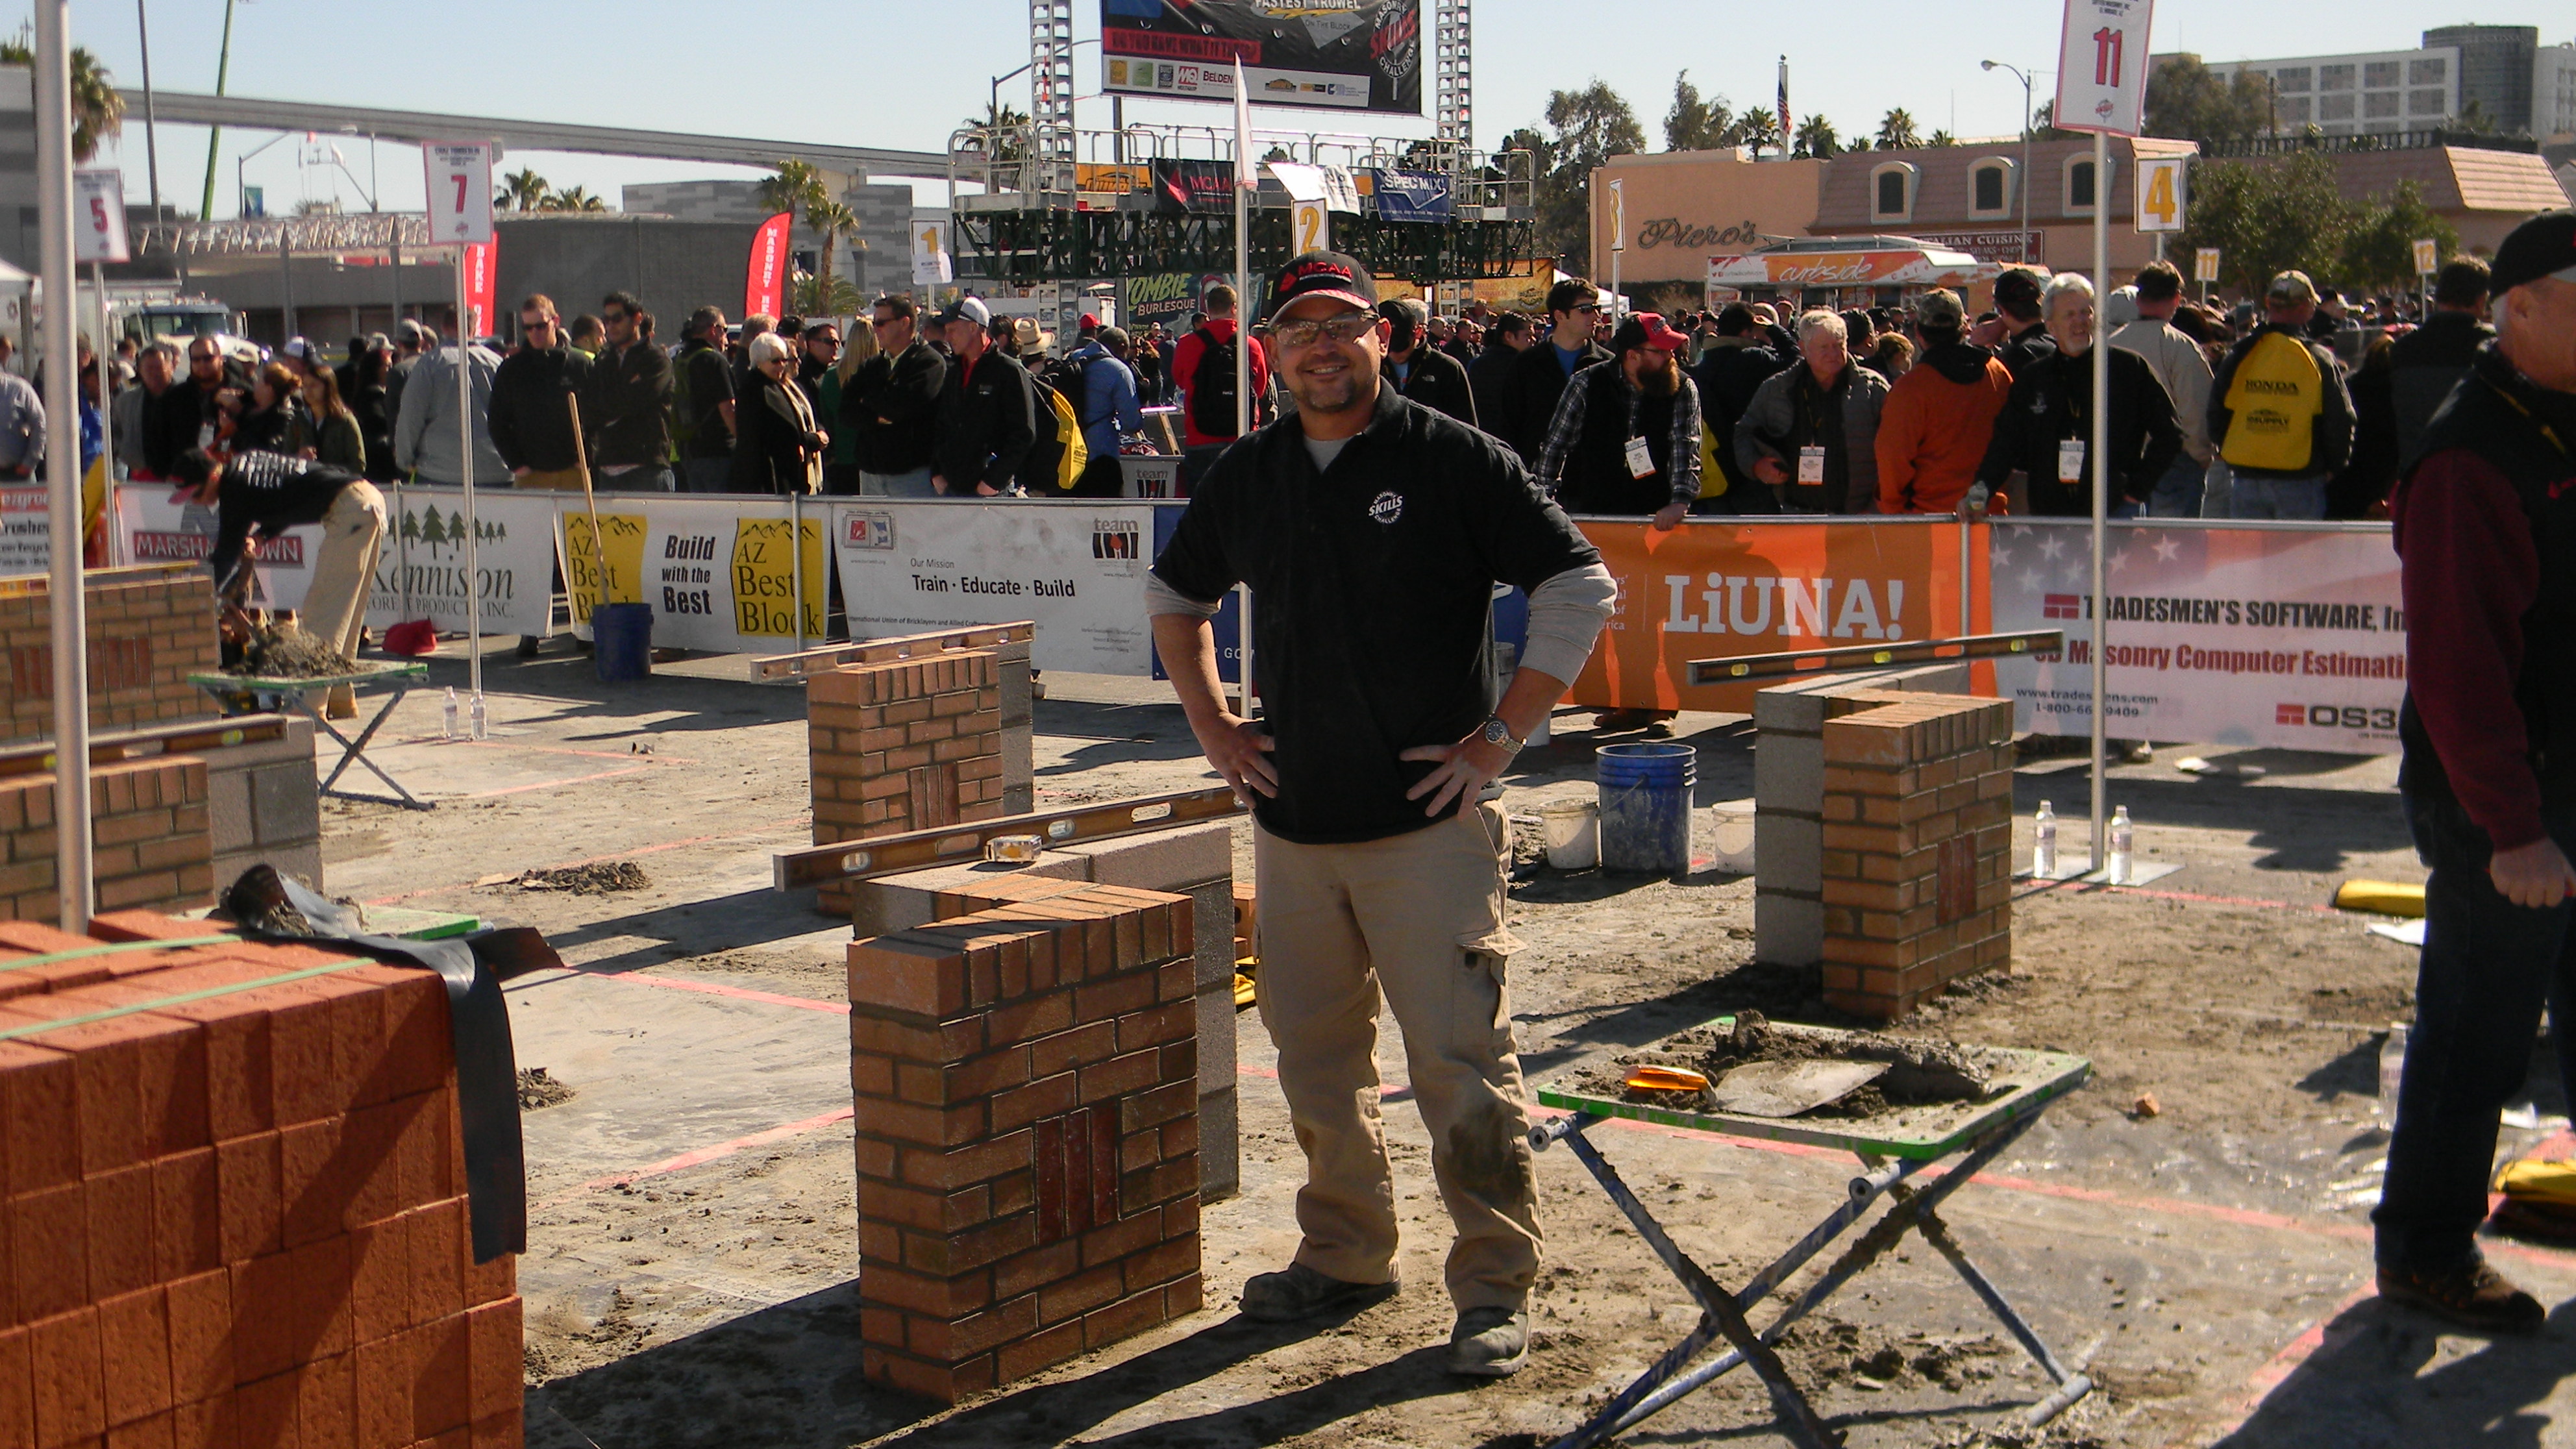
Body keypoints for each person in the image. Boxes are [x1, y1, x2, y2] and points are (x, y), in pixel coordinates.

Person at [1146, 249, 1616, 1378]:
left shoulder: (1452, 459)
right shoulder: (1249, 472)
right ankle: (1347, 1254)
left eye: (1340, 326)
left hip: (1425, 837)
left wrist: (1500, 738)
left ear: (1381, 338)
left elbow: (1577, 586)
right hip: (1295, 831)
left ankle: (1495, 1284)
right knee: (1315, 1063)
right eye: (1297, 328)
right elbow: (1175, 598)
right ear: (1270, 351)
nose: (1319, 347)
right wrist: (1214, 729)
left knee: (1460, 1063)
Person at [2373, 210, 2576, 1335]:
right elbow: (2456, 669)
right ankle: (2424, 1249)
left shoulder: (2559, 417)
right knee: (2474, 1032)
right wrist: (2511, 827)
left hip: (2564, 781)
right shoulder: (2469, 454)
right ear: (2519, 310)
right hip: (2504, 802)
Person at [168, 445, 385, 719]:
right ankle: (341, 700)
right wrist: (261, 537)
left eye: (195, 494)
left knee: (323, 611)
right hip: (364, 498)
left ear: (212, 477)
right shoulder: (245, 468)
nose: (196, 503)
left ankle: (308, 708)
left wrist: (195, 594)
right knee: (346, 615)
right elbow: (289, 499)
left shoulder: (233, 488)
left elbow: (225, 554)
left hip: (350, 509)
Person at [1976, 273, 2181, 518]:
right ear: (2050, 325)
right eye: (2070, 315)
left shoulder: (2128, 368)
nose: (2080, 322)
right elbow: (2005, 443)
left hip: (2115, 510)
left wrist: (2137, 489)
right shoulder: (2034, 378)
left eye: (2086, 312)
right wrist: (1981, 489)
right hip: (2051, 515)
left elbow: (2170, 434)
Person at [2208, 270, 2357, 521]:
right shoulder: (2319, 358)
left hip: (2247, 479)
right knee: (2296, 558)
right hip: (2302, 478)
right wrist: (2335, 465)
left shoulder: (2241, 354)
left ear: (2268, 303)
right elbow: (2340, 420)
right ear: (2306, 306)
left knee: (2249, 559)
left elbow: (2216, 412)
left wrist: (2230, 452)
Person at [1534, 310, 1698, 529]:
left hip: (1658, 515)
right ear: (1632, 355)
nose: (1671, 357)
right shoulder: (1586, 383)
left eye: (1671, 349)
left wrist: (1680, 501)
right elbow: (1555, 446)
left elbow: (1685, 445)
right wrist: (1543, 502)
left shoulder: (1682, 387)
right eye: (1660, 351)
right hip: (1592, 510)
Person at [1736, 310, 1890, 514]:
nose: (1834, 354)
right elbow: (1743, 433)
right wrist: (1756, 465)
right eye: (1824, 348)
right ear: (1803, 349)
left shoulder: (1872, 388)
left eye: (1839, 345)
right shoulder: (1778, 388)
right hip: (1798, 515)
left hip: (1860, 516)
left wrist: (1877, 505)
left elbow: (1897, 449)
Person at [1876, 289, 2010, 514]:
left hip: (1930, 523)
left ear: (1918, 332)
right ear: (1966, 326)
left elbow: (1892, 460)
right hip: (1991, 518)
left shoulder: (1911, 388)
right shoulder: (1997, 373)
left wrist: (1893, 511)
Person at [2110, 260, 2219, 517]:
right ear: (2176, 299)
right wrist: (2201, 456)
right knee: (2174, 551)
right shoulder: (2182, 348)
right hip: (2174, 464)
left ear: (2139, 298)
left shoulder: (2109, 347)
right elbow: (2194, 411)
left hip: (2119, 462)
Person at [2389, 256, 2494, 460]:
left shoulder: (2403, 349)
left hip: (2418, 470)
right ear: (2481, 299)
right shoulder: (2492, 347)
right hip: (2478, 471)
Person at [930, 295, 1035, 498]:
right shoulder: (953, 372)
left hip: (991, 491)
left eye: (953, 330)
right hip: (952, 487)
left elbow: (1024, 433)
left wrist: (994, 481)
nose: (947, 337)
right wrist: (937, 472)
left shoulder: (1008, 370)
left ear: (973, 328)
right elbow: (941, 425)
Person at [843, 293, 947, 497]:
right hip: (871, 475)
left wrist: (868, 400)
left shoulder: (929, 363)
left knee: (915, 530)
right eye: (874, 323)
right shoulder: (872, 365)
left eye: (881, 323)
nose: (875, 329)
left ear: (904, 323)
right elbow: (846, 411)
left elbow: (902, 407)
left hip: (912, 476)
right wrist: (876, 415)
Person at [1688, 303, 1787, 514]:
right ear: (1747, 331)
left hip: (1713, 466)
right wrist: (1774, 331)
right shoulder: (1753, 358)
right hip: (1751, 465)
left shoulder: (1702, 363)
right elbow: (1795, 363)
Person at [489, 294, 593, 490]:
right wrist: (517, 464)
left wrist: (587, 456)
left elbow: (598, 415)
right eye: (528, 328)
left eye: (541, 326)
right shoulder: (512, 369)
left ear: (555, 321)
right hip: (532, 474)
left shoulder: (580, 364)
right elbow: (497, 421)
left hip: (574, 471)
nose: (534, 332)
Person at [1171, 284, 1270, 488]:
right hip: (1243, 438)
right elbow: (1259, 390)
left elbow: (1181, 381)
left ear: (1208, 309)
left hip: (1200, 438)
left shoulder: (1187, 344)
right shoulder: (1251, 345)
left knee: (1202, 510)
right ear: (1234, 307)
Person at [1502, 279, 1610, 464]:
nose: (1595, 316)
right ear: (1560, 316)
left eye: (1596, 309)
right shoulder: (1527, 364)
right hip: (1538, 475)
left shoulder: (1608, 365)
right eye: (1585, 310)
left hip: (1592, 480)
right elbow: (1509, 425)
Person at [393, 335, 507, 488]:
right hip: (496, 470)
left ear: (444, 328)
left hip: (439, 471)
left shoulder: (430, 364)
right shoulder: (498, 363)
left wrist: (404, 460)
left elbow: (411, 417)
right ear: (473, 329)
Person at [730, 332, 828, 495]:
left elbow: (796, 420)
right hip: (766, 477)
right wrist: (810, 440)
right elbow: (774, 432)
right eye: (775, 361)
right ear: (759, 362)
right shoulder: (754, 390)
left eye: (784, 360)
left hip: (786, 473)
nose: (782, 366)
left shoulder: (778, 386)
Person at [1065, 323, 1145, 497]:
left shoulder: (1072, 359)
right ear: (1122, 347)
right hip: (1101, 456)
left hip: (1067, 456)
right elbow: (1132, 422)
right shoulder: (1118, 370)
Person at [145, 335, 236, 477]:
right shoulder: (174, 397)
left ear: (221, 359)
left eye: (208, 358)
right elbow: (157, 441)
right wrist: (165, 474)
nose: (202, 364)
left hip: (229, 479)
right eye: (196, 360)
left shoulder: (242, 394)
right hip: (183, 480)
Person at [1379, 297, 1478, 427]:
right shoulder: (1373, 367)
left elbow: (1467, 427)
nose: (1393, 353)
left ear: (1418, 332)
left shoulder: (1447, 369)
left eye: (1399, 344)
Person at [672, 305, 735, 493]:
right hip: (718, 451)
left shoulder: (680, 358)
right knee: (723, 513)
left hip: (688, 450)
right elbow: (728, 408)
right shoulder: (715, 360)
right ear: (713, 329)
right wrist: (744, 444)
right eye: (725, 330)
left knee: (701, 513)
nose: (726, 337)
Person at [817, 317, 872, 495]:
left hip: (842, 460)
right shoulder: (882, 374)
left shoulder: (832, 378)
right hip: (875, 460)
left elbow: (826, 419)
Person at [1467, 312, 1533, 438]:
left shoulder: (1476, 364)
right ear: (1509, 336)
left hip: (1482, 437)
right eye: (1527, 335)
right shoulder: (1525, 366)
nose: (1532, 340)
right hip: (1516, 440)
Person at [114, 341, 175, 480]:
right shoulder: (126, 401)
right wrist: (125, 452)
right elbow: (114, 432)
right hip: (139, 477)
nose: (154, 373)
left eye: (159, 368)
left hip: (178, 479)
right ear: (140, 371)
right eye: (149, 368)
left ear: (171, 367)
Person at [1984, 267, 2056, 380]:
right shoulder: (2063, 343)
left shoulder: (2015, 357)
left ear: (2001, 309)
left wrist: (1978, 347)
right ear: (2041, 300)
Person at [230, 362, 312, 457]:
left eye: (259, 381)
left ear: (268, 388)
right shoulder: (252, 405)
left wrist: (234, 432)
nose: (255, 384)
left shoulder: (283, 418)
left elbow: (266, 451)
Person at [299, 367, 368, 473]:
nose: (308, 390)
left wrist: (327, 471)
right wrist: (299, 458)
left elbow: (358, 464)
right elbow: (286, 459)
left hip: (337, 485)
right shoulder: (298, 421)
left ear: (328, 388)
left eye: (314, 385)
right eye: (305, 386)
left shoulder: (345, 421)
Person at [384, 320, 431, 425]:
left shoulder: (398, 372)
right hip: (434, 434)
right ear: (422, 342)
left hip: (408, 434)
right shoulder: (434, 366)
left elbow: (393, 413)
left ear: (399, 343)